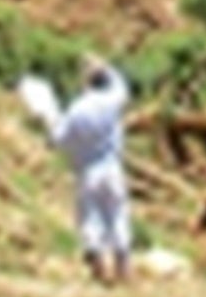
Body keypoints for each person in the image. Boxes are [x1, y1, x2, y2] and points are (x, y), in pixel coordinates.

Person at [18, 59, 135, 282]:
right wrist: (105, 66)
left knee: (90, 216)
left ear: (86, 83)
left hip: (88, 171)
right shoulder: (112, 101)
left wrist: (47, 120)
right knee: (117, 214)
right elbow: (123, 86)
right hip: (113, 167)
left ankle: (99, 265)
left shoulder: (77, 110)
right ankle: (123, 265)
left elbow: (59, 138)